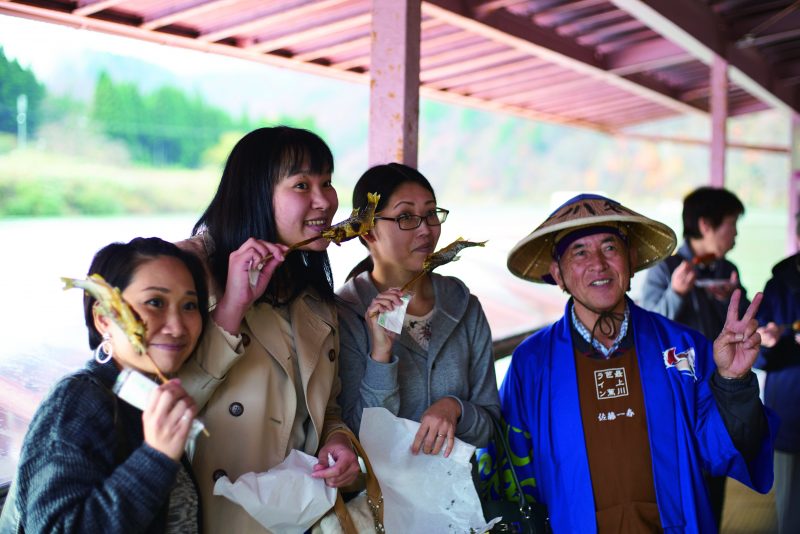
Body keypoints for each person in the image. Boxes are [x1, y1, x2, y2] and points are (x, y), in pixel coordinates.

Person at [481, 193, 776, 533]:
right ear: (558, 274)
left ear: (632, 259)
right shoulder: (532, 363)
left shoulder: (683, 347)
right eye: (579, 252)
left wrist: (733, 381)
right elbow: (513, 471)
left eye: (610, 247)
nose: (598, 264)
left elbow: (718, 450)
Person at [176, 126, 359, 533]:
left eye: (327, 182)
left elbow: (327, 408)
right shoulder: (187, 274)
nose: (325, 201)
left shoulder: (311, 291)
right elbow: (160, 401)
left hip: (300, 514)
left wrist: (339, 442)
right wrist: (231, 308)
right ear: (255, 192)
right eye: (301, 185)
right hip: (221, 514)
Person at [0, 237, 208, 533]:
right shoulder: (79, 401)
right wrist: (157, 458)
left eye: (189, 305)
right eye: (155, 303)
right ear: (103, 319)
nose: (177, 325)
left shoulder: (144, 397)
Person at [336, 163, 500, 457]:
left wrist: (456, 409)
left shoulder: (464, 306)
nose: (425, 229)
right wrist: (380, 357)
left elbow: (489, 428)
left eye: (430, 214)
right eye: (406, 217)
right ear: (368, 231)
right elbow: (354, 439)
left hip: (456, 499)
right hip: (377, 500)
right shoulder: (345, 313)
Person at [640, 186, 749, 525]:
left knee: (716, 469)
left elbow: (741, 326)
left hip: (716, 393)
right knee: (678, 481)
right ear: (705, 225)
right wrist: (676, 293)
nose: (736, 234)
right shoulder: (664, 268)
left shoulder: (725, 269)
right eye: (731, 224)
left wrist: (729, 299)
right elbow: (647, 329)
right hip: (675, 397)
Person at [755, 213, 800, 534]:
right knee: (790, 511)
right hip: (791, 411)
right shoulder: (779, 284)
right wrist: (767, 342)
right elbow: (758, 356)